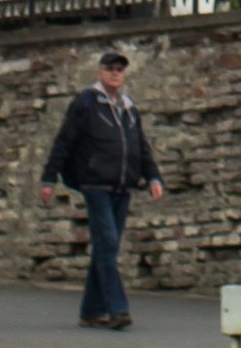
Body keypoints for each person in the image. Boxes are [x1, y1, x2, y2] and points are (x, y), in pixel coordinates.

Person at [39, 45, 164, 329]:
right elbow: (64, 141)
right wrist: (49, 178)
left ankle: (91, 310)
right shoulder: (87, 102)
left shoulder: (129, 109)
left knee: (106, 247)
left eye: (120, 70)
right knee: (107, 243)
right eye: (110, 69)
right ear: (100, 72)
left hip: (123, 186)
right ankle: (117, 308)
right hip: (95, 184)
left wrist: (153, 177)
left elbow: (140, 147)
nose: (115, 74)